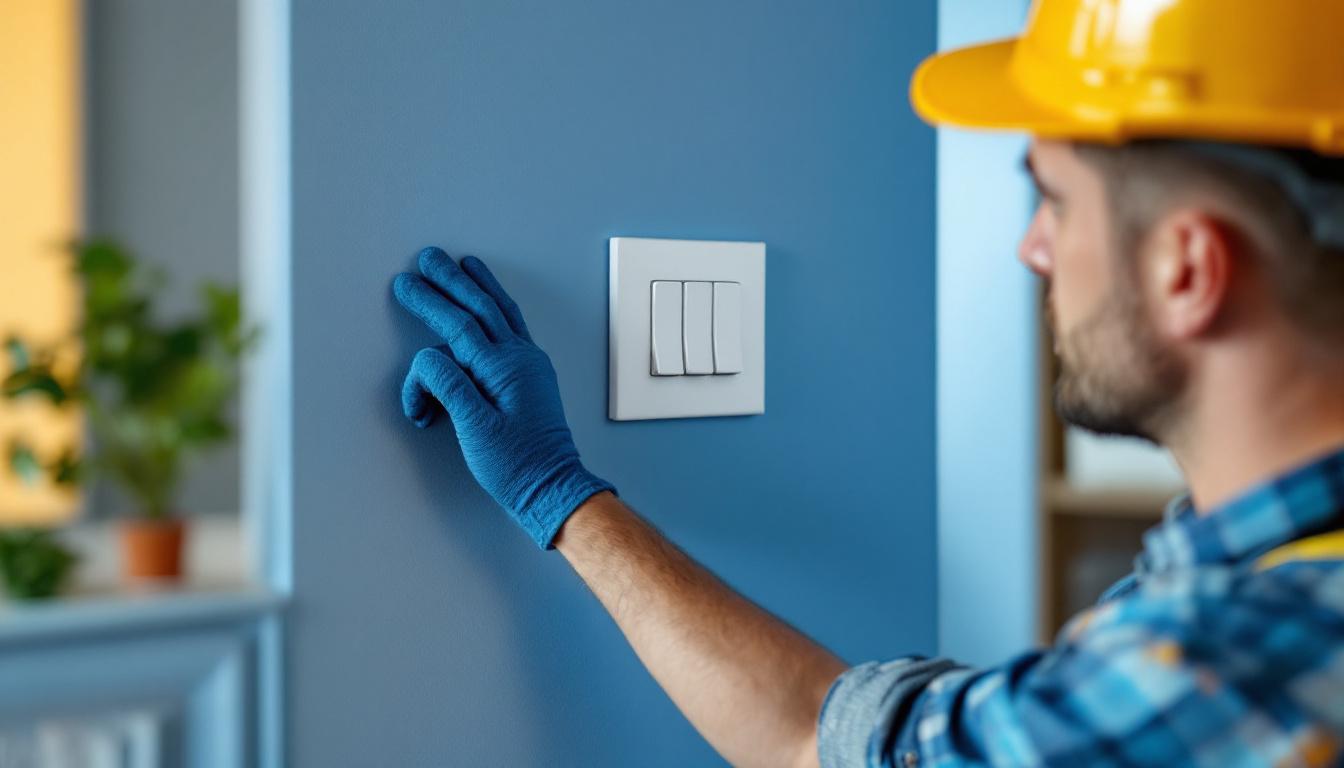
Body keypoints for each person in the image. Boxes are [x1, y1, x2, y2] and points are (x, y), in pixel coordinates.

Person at [391, 1, 1344, 765]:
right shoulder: (1252, 582)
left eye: (1054, 200)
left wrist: (555, 492)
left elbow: (810, 741)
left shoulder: (1231, 672)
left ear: (1187, 269)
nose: (1032, 247)